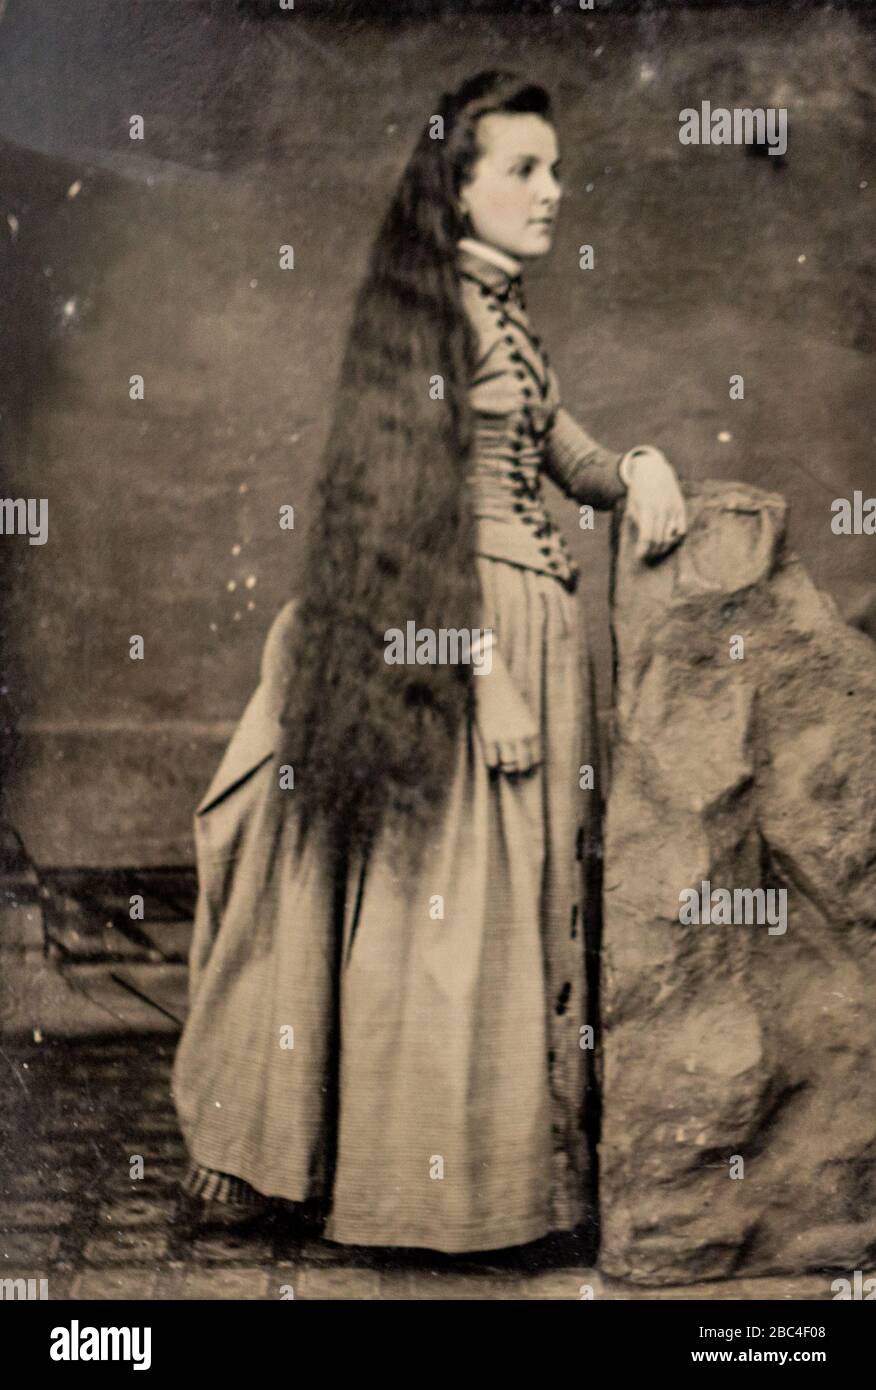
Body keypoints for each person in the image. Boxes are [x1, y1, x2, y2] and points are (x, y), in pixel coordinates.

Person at [171, 69, 686, 1254]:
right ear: (456, 194)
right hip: (461, 640)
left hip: (524, 624)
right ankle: (434, 1198)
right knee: (445, 924)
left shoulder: (499, 315)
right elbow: (409, 519)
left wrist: (641, 465)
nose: (555, 190)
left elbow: (557, 445)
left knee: (498, 923)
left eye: (556, 168)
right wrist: (484, 674)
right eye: (524, 169)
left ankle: (499, 1191)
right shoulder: (431, 319)